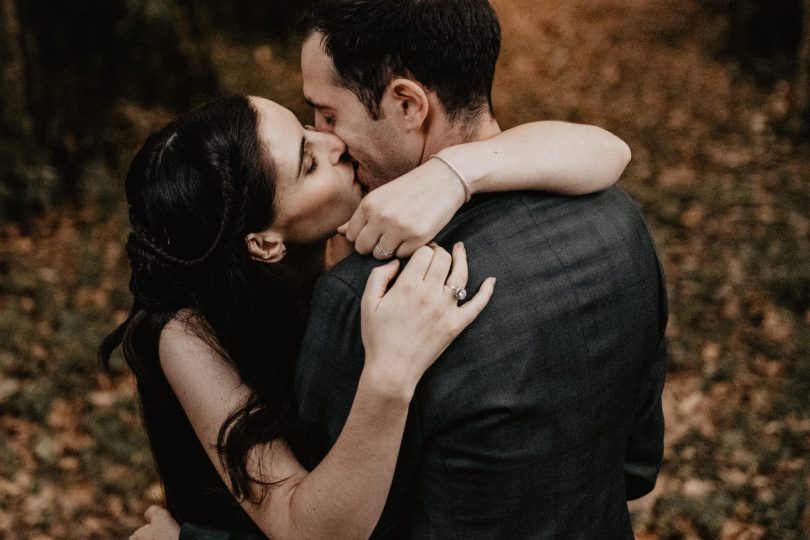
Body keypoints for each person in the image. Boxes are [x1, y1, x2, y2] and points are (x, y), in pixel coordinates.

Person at [108, 89, 632, 539]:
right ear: (264, 243)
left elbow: (607, 151)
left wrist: (456, 174)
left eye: (306, 127)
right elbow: (303, 528)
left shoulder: (370, 215)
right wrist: (390, 373)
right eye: (308, 164)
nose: (333, 143)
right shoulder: (183, 333)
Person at [290, 0, 665, 538]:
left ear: (407, 104)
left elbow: (327, 523)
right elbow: (636, 466)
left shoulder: (368, 295)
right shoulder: (619, 221)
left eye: (329, 115)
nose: (324, 138)